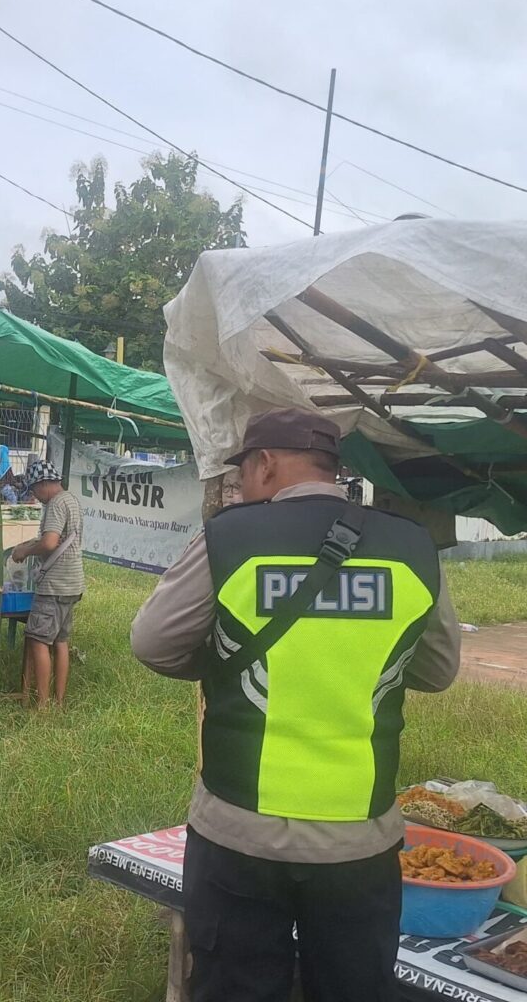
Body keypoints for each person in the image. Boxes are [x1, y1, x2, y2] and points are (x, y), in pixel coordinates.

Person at [130, 407, 461, 1002]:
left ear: (264, 463)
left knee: (236, 986)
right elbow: (437, 673)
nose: (241, 488)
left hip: (239, 830)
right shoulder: (412, 547)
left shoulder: (229, 538)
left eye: (242, 475)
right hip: (359, 839)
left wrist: (219, 664)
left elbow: (153, 644)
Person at [11, 460, 85, 708]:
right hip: (73, 582)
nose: (35, 496)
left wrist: (25, 551)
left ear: (43, 484)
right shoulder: (71, 500)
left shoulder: (55, 504)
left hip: (55, 585)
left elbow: (50, 542)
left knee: (39, 640)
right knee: (60, 641)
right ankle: (59, 700)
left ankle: (42, 705)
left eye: (34, 490)